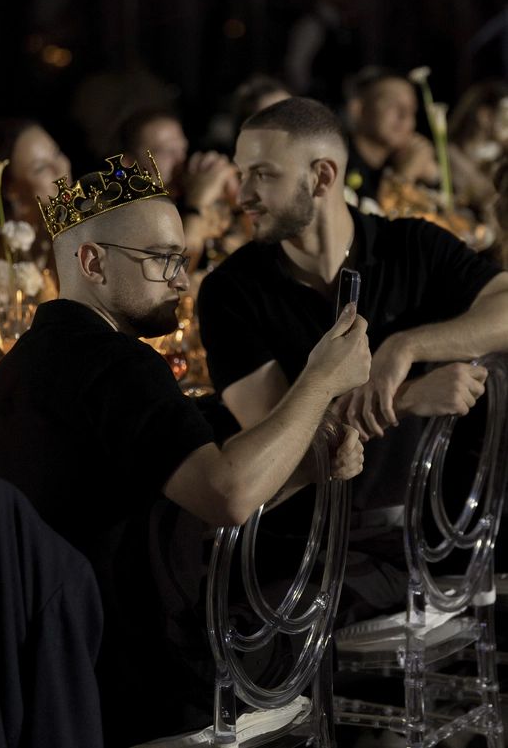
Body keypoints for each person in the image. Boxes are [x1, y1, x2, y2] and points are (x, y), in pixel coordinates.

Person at [0, 153, 371, 747]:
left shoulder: (22, 364)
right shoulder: (115, 364)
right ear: (92, 262)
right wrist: (319, 379)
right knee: (323, 615)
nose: (181, 282)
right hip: (145, 684)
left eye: (180, 260)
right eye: (161, 260)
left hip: (48, 680)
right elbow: (226, 495)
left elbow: (170, 508)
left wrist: (303, 469)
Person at [197, 96, 508, 623]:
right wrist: (406, 399)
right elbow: (283, 445)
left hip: (431, 542)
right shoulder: (232, 290)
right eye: (241, 174)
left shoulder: (412, 245)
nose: (243, 193)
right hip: (307, 550)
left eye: (262, 175)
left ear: (322, 176)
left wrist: (405, 347)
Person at [0, 118, 70, 313]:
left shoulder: (79, 227)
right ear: (10, 189)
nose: (61, 169)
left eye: (57, 152)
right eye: (40, 169)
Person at [115, 107, 239, 270]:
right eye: (167, 152)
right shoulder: (120, 218)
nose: (181, 160)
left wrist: (235, 198)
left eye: (182, 150)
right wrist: (197, 203)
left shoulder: (180, 199)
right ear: (129, 163)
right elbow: (170, 271)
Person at [344, 67, 440, 204]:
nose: (405, 115)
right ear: (358, 109)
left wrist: (433, 178)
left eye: (412, 109)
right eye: (392, 103)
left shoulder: (392, 165)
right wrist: (407, 173)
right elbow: (370, 212)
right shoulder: (337, 159)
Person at [448, 79, 508, 219]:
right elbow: (486, 194)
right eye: (505, 116)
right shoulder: (449, 154)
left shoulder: (498, 157)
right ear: (484, 115)